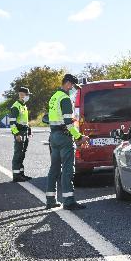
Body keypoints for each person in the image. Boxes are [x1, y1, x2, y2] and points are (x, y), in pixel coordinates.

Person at [45, 74, 89, 210]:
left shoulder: (54, 97)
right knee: (68, 170)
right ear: (68, 84)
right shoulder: (64, 99)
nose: (74, 90)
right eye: (74, 87)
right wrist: (79, 137)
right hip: (64, 138)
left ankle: (50, 200)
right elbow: (69, 124)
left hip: (53, 136)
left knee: (54, 169)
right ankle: (69, 201)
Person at [10, 87, 33, 182]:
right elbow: (12, 123)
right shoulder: (16, 106)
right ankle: (16, 176)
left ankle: (21, 174)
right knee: (18, 154)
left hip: (25, 132)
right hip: (19, 133)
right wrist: (16, 134)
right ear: (22, 95)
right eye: (27, 95)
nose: (28, 97)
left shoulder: (23, 105)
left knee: (22, 154)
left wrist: (29, 130)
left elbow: (25, 121)